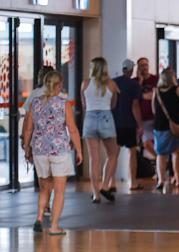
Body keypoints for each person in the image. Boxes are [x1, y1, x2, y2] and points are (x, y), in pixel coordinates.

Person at [23, 71, 83, 234]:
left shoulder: (34, 103)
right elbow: (72, 129)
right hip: (59, 150)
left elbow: (28, 129)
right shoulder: (63, 104)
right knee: (59, 190)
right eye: (61, 84)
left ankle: (39, 218)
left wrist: (26, 147)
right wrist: (79, 150)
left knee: (44, 188)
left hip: (40, 150)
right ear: (57, 86)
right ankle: (54, 226)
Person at [81, 57, 119, 203]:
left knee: (94, 159)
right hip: (106, 117)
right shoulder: (111, 84)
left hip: (90, 118)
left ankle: (96, 194)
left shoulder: (85, 83)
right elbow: (114, 104)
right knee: (112, 154)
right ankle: (104, 185)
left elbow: (84, 105)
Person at [22, 65, 56, 217]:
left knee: (43, 175)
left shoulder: (34, 94)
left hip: (38, 139)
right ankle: (48, 201)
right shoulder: (59, 93)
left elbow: (27, 121)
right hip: (56, 139)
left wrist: (25, 140)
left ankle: (46, 203)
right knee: (52, 173)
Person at [152, 67, 179, 190]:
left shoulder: (156, 91)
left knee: (160, 155)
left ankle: (161, 180)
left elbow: (154, 110)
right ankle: (178, 179)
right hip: (175, 126)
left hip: (159, 126)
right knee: (177, 153)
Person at [112, 58, 143, 190]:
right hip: (129, 123)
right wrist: (140, 124)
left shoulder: (113, 83)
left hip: (115, 122)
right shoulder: (133, 85)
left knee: (113, 154)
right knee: (132, 153)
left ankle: (110, 182)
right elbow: (135, 106)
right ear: (131, 70)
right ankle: (133, 182)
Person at [136, 57, 159, 161]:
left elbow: (155, 95)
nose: (144, 67)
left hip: (155, 116)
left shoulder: (156, 79)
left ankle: (161, 163)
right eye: (141, 65)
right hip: (142, 118)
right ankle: (161, 160)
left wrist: (143, 95)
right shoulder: (135, 81)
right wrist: (140, 82)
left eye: (146, 65)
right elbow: (135, 97)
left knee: (158, 142)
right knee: (146, 143)